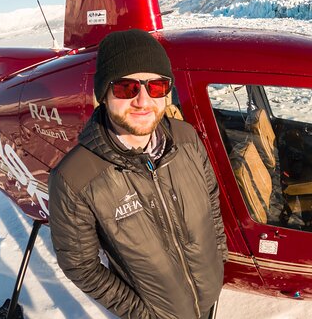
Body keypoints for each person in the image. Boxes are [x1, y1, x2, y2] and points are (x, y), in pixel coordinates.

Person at [48, 29, 227, 319]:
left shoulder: (186, 138)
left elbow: (211, 203)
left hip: (208, 297)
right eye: (126, 88)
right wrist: (141, 314)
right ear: (103, 95)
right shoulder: (74, 179)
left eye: (156, 87)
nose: (143, 101)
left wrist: (218, 259)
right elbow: (81, 266)